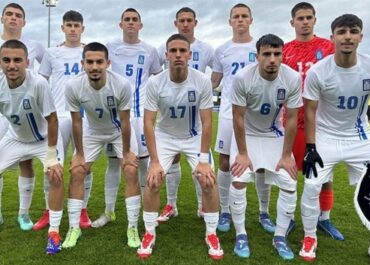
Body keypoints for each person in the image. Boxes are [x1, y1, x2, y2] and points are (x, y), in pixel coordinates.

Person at [137, 34, 223, 260]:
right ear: (166, 56)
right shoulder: (155, 82)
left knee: (208, 180)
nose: (177, 55)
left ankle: (212, 233)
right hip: (165, 136)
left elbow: (206, 122)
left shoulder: (202, 81)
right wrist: (154, 162)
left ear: (189, 55)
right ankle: (149, 232)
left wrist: (204, 160)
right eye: (173, 51)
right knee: (153, 179)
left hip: (192, 136)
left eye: (182, 51)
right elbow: (148, 122)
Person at [300, 14, 370, 261]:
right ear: (332, 38)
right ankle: (309, 236)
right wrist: (310, 146)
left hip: (359, 138)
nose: (347, 36)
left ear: (361, 37)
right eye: (342, 32)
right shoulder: (319, 71)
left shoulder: (369, 65)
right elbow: (309, 110)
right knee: (310, 187)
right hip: (326, 137)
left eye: (353, 31)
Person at [62, 42, 140, 249]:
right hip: (92, 131)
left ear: (108, 63)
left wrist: (126, 153)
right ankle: (73, 228)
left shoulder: (121, 84)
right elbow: (77, 121)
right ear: (82, 63)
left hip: (117, 131)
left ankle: (132, 228)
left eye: (99, 62)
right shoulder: (73, 86)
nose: (94, 66)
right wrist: (78, 154)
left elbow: (124, 121)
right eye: (90, 62)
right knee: (77, 171)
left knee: (131, 170)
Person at [230, 34, 301, 260]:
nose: (272, 59)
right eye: (267, 54)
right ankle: (241, 233)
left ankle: (280, 236)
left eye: (277, 54)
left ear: (282, 55)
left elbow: (291, 118)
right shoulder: (243, 77)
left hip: (273, 134)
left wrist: (287, 155)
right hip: (247, 135)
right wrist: (242, 153)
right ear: (257, 56)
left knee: (289, 182)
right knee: (239, 179)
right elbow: (238, 117)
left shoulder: (292, 78)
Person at [211, 3, 274, 234]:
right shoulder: (222, 50)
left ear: (250, 20)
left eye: (244, 16)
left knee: (261, 165)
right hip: (228, 113)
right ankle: (225, 210)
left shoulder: (260, 49)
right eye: (235, 17)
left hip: (256, 114)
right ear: (230, 22)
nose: (240, 20)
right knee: (226, 162)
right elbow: (214, 81)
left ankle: (263, 212)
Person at [283, 2, 343, 240]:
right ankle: (287, 218)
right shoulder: (285, 50)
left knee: (324, 176)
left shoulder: (328, 48)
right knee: (288, 173)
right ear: (292, 22)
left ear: (315, 20)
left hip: (321, 122)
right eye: (300, 18)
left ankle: (324, 219)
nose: (305, 22)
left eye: (309, 17)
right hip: (292, 120)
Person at [99, 8, 161, 232]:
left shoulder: (150, 51)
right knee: (114, 163)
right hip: (116, 115)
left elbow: (156, 78)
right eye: (127, 20)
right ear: (121, 24)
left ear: (141, 25)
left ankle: (147, 212)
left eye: (135, 20)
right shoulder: (110, 47)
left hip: (140, 115)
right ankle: (108, 211)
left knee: (143, 163)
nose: (131, 23)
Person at [0, 40, 64, 254]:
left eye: (17, 60)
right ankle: (22, 214)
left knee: (55, 175)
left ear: (27, 62)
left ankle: (54, 233)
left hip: (44, 139)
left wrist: (51, 156)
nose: (12, 65)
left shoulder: (38, 84)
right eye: (6, 60)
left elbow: (53, 119)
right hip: (16, 137)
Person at [34, 10, 93, 231]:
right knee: (51, 165)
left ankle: (83, 210)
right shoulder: (51, 53)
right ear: (62, 28)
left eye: (77, 26)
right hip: (58, 116)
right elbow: (41, 82)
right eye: (69, 25)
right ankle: (50, 210)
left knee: (85, 165)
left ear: (82, 29)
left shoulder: (90, 52)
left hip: (84, 116)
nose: (73, 29)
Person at [157, 7, 214, 222]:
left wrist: (202, 97)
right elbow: (158, 78)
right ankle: (171, 204)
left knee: (202, 167)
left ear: (195, 23)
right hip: (171, 116)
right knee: (172, 160)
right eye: (182, 20)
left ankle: (202, 207)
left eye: (189, 20)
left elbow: (215, 76)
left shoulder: (207, 49)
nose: (185, 24)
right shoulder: (165, 47)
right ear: (176, 23)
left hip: (195, 115)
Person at [0, 2, 45, 229]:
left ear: (24, 22)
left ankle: (23, 214)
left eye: (18, 15)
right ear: (2, 18)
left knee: (26, 160)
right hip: (3, 108)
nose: (13, 18)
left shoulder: (35, 45)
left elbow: (48, 65)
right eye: (9, 14)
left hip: (27, 109)